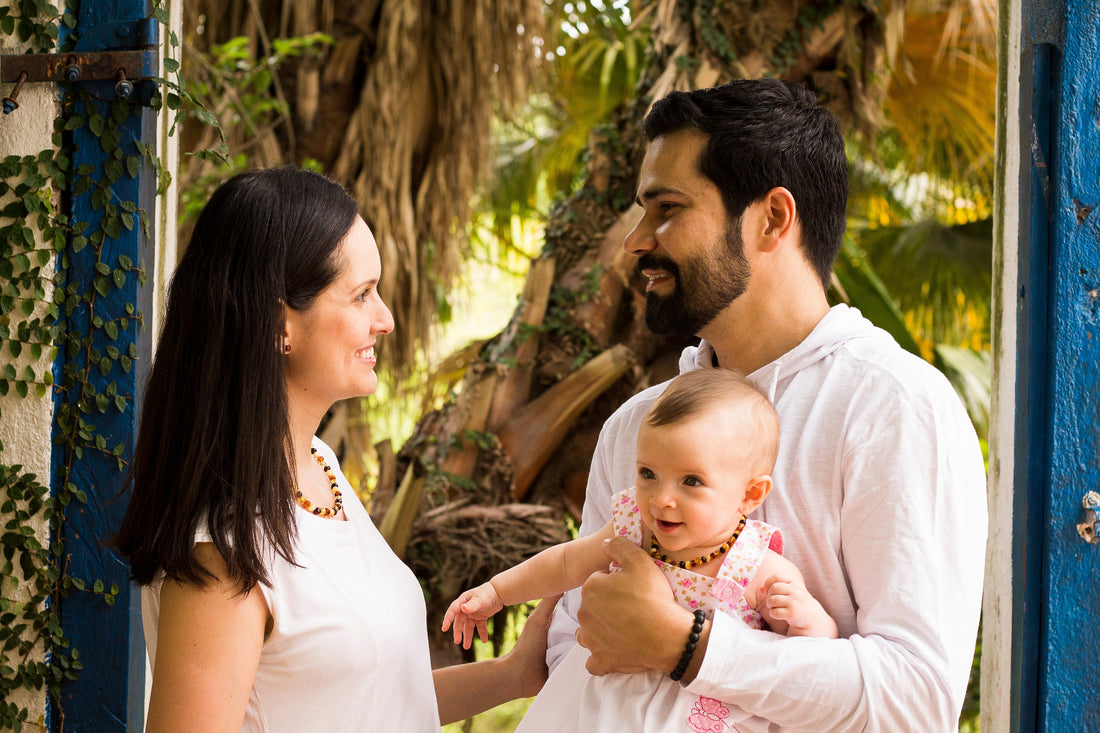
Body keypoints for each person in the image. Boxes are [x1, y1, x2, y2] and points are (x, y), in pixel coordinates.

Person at [541, 79, 988, 732]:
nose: (637, 240)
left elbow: (915, 702)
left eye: (667, 209)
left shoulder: (894, 407)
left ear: (773, 219)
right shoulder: (634, 427)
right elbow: (573, 647)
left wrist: (688, 645)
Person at [113, 167, 555, 731]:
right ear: (279, 325)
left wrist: (515, 674)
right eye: (362, 295)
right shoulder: (225, 550)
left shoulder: (318, 465)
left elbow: (365, 702)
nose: (386, 319)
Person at [444, 369, 837, 731]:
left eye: (691, 481)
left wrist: (806, 618)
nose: (662, 499)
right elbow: (565, 562)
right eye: (648, 473)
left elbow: (809, 663)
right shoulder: (633, 529)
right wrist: (497, 591)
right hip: (599, 703)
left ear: (750, 494)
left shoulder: (757, 566)